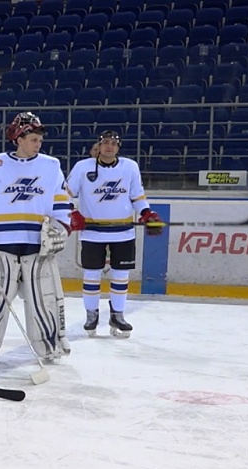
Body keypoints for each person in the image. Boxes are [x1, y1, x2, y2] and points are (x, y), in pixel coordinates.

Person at [0, 111, 73, 362]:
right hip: (2, 244)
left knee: (43, 300)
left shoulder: (51, 165)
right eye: (33, 139)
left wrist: (62, 229)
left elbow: (62, 204)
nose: (38, 144)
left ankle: (49, 347)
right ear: (19, 138)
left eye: (39, 140)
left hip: (38, 246)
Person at [66, 130, 161, 337]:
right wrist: (72, 212)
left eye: (114, 144)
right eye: (106, 143)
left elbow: (137, 196)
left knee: (121, 275)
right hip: (92, 232)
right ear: (98, 146)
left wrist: (146, 213)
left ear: (118, 148)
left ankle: (117, 314)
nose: (109, 146)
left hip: (123, 232)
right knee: (91, 275)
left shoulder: (130, 167)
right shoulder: (83, 167)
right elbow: (64, 194)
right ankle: (91, 315)